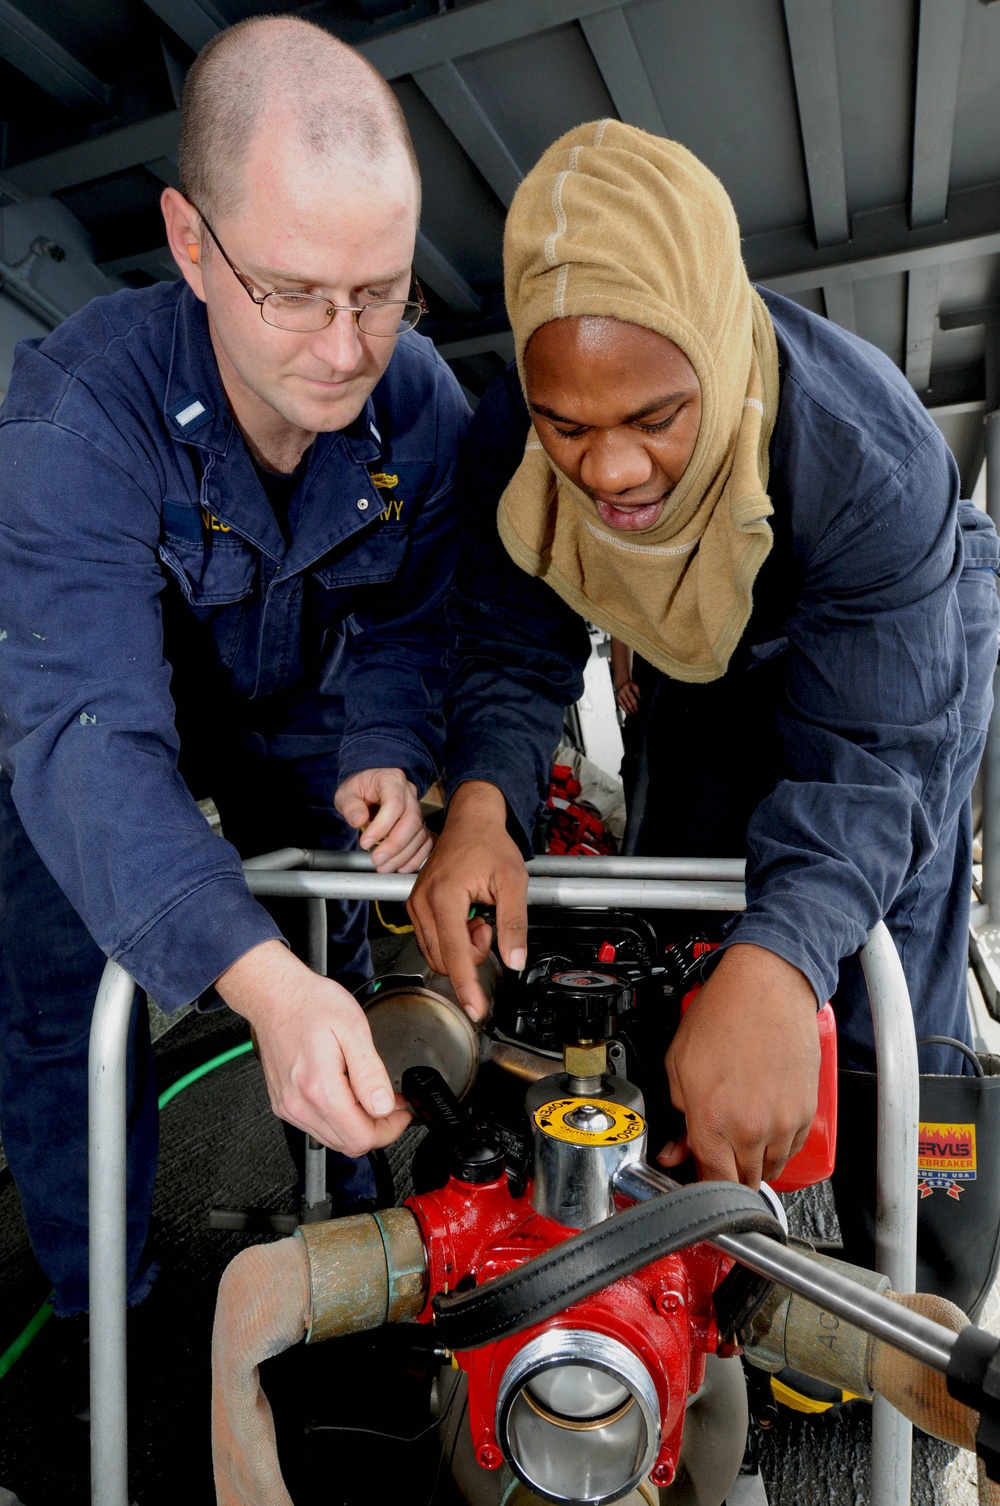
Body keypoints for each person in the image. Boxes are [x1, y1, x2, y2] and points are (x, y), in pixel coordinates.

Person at [409, 120, 1000, 1196]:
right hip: (695, 642)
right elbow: (508, 638)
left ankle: (910, 1222)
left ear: (719, 353)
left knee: (872, 954)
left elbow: (869, 759)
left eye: (655, 416)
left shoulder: (870, 458)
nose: (611, 471)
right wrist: (485, 806)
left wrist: (778, 961)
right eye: (567, 428)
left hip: (895, 635)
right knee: (677, 917)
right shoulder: (511, 438)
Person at [0, 16, 469, 1316]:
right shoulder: (72, 417)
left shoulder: (421, 402)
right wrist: (253, 981)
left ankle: (372, 1249)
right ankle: (114, 1310)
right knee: (56, 1005)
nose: (344, 346)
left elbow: (418, 607)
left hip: (295, 710)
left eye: (380, 292)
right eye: (295, 293)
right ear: (192, 243)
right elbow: (91, 734)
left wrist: (390, 740)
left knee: (340, 956)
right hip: (89, 729)